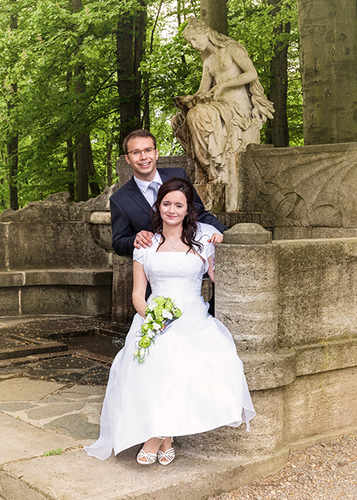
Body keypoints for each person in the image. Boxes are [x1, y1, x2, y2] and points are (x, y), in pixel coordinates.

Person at [85, 177, 255, 465]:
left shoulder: (204, 239)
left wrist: (223, 246)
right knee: (151, 359)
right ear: (158, 206)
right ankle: (166, 438)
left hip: (193, 314)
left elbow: (219, 280)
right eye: (166, 204)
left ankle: (154, 437)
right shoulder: (145, 243)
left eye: (179, 205)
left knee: (175, 356)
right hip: (152, 315)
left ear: (188, 209)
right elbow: (138, 294)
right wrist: (150, 317)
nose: (172, 210)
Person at [172, 17, 274, 183]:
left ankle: (213, 171)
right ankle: (205, 167)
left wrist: (224, 85)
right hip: (218, 105)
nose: (194, 45)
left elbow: (251, 74)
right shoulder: (208, 61)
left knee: (197, 114)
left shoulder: (231, 48)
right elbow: (202, 92)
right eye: (190, 42)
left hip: (236, 107)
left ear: (204, 32)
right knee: (178, 120)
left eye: (194, 39)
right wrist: (188, 100)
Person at [110, 128, 226, 257]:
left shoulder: (179, 175)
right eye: (136, 152)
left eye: (148, 150)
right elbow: (119, 243)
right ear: (127, 158)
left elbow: (198, 213)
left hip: (195, 257)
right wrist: (135, 239)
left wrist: (227, 235)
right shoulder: (119, 199)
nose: (143, 157)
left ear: (156, 153)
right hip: (157, 264)